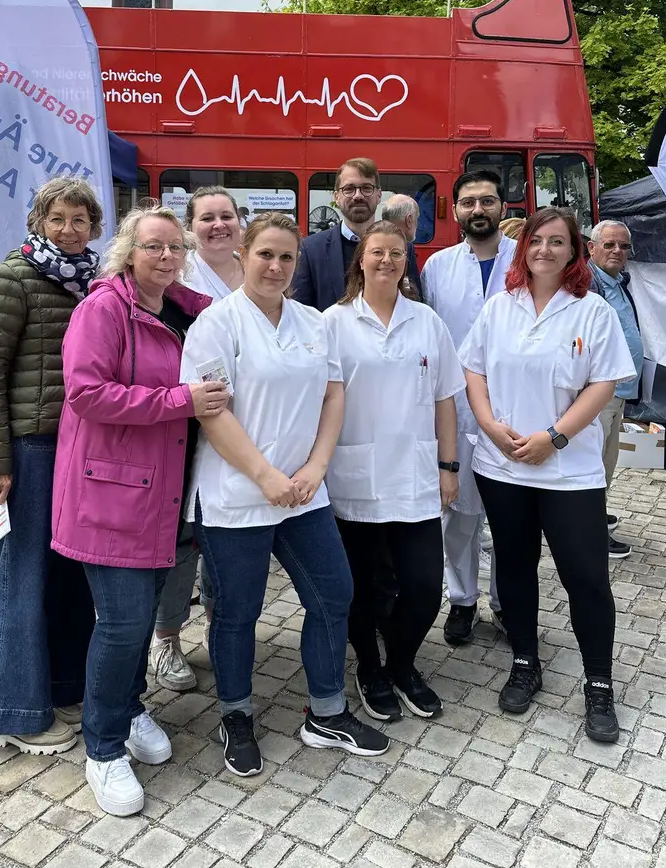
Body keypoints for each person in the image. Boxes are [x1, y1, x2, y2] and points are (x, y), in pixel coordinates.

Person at [181, 212, 389, 776]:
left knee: (332, 597)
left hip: (302, 493)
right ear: (244, 254)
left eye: (287, 257)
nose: (275, 267)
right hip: (235, 495)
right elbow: (212, 412)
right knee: (236, 613)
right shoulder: (216, 324)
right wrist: (265, 476)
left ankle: (325, 712)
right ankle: (237, 715)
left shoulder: (312, 323)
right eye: (265, 254)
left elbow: (333, 396)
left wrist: (316, 467)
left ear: (298, 263)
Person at [53, 207, 224, 816]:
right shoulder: (102, 309)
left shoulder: (183, 306)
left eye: (176, 247)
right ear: (128, 251)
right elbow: (86, 392)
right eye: (154, 246)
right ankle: (101, 749)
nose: (167, 256)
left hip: (161, 493)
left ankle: (127, 710)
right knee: (123, 624)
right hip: (110, 492)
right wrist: (180, 400)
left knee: (141, 613)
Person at [458, 207, 635, 743]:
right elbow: (474, 369)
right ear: (523, 248)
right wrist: (488, 425)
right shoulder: (499, 308)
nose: (545, 251)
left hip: (568, 470)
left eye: (557, 242)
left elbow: (603, 384)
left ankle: (598, 683)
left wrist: (554, 437)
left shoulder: (592, 312)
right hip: (503, 465)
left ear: (574, 251)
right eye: (537, 241)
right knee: (513, 567)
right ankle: (525, 661)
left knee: (585, 577)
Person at [0, 177, 103, 754]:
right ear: (37, 223)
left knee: (72, 573)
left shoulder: (94, 282)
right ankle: (14, 709)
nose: (69, 230)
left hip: (79, 448)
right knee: (22, 574)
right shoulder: (13, 277)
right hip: (30, 449)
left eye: (80, 220)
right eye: (58, 219)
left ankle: (64, 686)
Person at [323, 221, 461, 722]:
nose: (386, 260)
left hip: (415, 475)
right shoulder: (332, 323)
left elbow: (446, 398)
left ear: (407, 262)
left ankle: (401, 664)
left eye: (397, 253)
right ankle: (369, 667)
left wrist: (449, 466)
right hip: (352, 476)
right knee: (359, 587)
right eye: (376, 251)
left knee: (424, 587)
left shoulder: (427, 321)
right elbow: (319, 402)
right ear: (360, 259)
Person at [143, 187, 245, 693]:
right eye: (207, 218)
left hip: (245, 427)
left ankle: (219, 626)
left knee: (225, 537)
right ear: (191, 229)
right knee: (181, 538)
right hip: (187, 425)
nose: (219, 225)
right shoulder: (177, 277)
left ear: (240, 223)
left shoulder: (259, 269)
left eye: (227, 216)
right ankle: (166, 638)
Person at [419, 170, 516, 645]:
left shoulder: (526, 261)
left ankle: (506, 603)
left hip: (515, 407)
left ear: (503, 207)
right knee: (457, 513)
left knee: (510, 516)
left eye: (487, 201)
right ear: (454, 210)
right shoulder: (437, 267)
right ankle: (461, 601)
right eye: (468, 202)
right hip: (455, 409)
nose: (478, 210)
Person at [586, 220, 643, 561]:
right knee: (595, 465)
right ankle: (591, 532)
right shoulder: (589, 284)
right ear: (591, 248)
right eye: (609, 245)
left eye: (623, 246)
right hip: (601, 392)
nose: (617, 252)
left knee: (607, 461)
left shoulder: (618, 281)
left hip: (618, 390)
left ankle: (595, 514)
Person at [294, 159, 421, 310]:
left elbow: (414, 306)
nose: (358, 196)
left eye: (366, 188)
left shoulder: (404, 248)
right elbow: (300, 315)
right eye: (349, 189)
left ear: (379, 195)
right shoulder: (310, 249)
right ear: (336, 196)